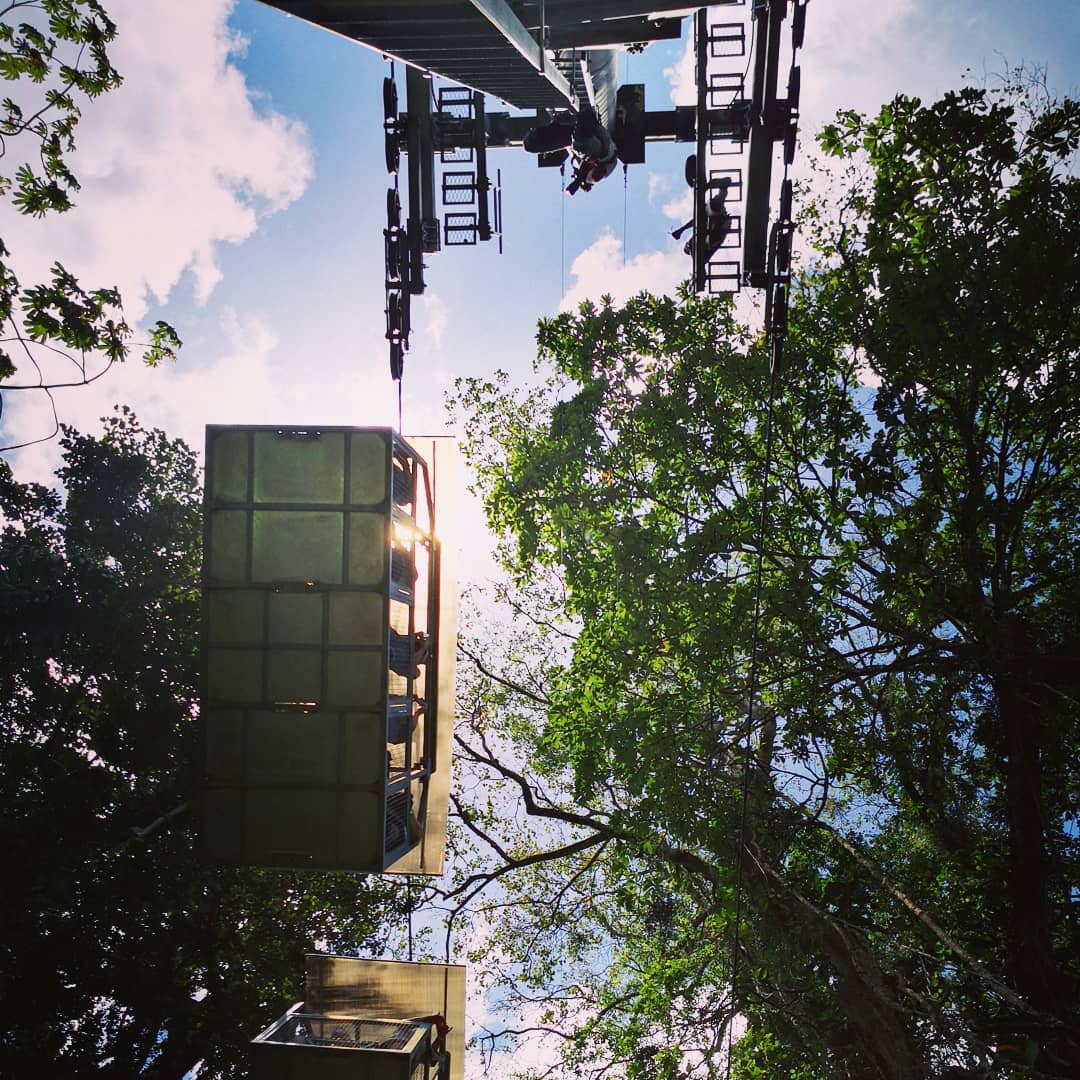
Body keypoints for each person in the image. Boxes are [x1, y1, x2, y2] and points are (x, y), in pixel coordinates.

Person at [524, 105, 618, 194]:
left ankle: (543, 134)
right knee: (583, 147)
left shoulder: (579, 163)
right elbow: (596, 174)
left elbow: (572, 149)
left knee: (530, 145)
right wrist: (580, 179)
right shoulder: (601, 170)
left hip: (577, 135)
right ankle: (584, 117)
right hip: (598, 143)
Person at [671, 174, 734, 263]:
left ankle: (722, 188)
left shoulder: (698, 234)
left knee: (711, 209)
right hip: (717, 228)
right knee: (714, 212)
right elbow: (702, 260)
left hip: (713, 219)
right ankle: (722, 190)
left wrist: (682, 230)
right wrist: (682, 231)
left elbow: (696, 220)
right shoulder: (704, 248)